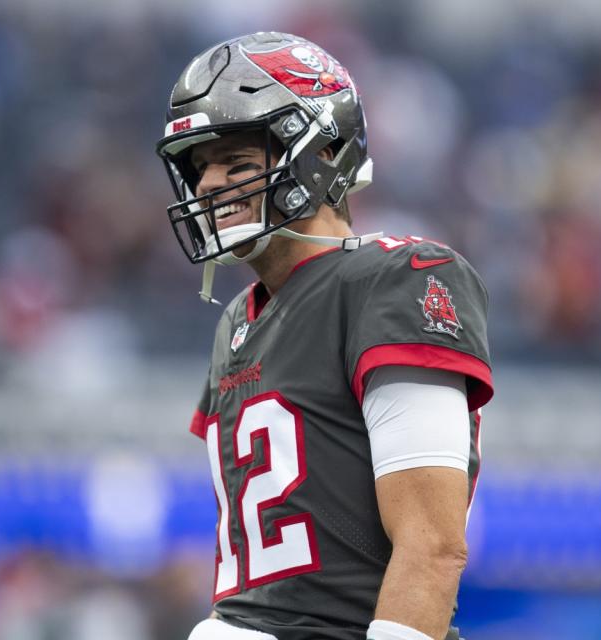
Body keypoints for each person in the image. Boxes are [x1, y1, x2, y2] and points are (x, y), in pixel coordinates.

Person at [155, 32, 493, 640]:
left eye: (236, 160)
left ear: (323, 152)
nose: (208, 185)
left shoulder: (393, 278)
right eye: (202, 166)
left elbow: (434, 545)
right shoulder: (237, 318)